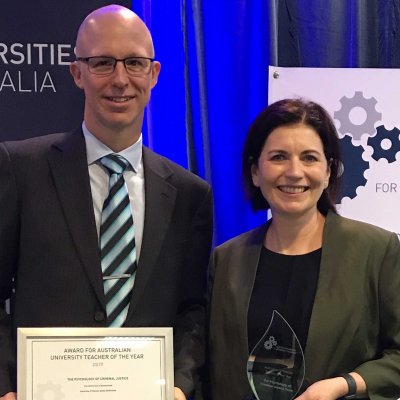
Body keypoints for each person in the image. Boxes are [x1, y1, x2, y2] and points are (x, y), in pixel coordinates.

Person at [0, 5, 213, 400]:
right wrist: (5, 388)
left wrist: (181, 385)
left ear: (154, 73)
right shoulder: (20, 169)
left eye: (134, 62)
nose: (120, 80)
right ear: (77, 73)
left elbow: (192, 311)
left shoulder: (190, 194)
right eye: (102, 63)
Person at [206, 99, 400, 400]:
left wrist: (344, 384)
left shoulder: (377, 251)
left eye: (309, 158)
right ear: (256, 171)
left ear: (328, 172)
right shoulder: (226, 260)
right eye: (279, 157)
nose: (295, 172)